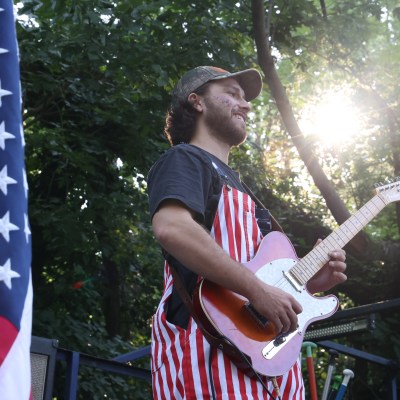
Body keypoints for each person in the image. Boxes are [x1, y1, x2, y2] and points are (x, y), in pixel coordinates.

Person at [147, 66, 347, 399]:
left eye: (246, 97)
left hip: (272, 361)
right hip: (206, 349)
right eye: (232, 93)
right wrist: (257, 290)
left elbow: (268, 281)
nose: (247, 105)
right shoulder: (185, 159)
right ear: (196, 102)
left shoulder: (246, 192)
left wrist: (309, 285)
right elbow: (172, 228)